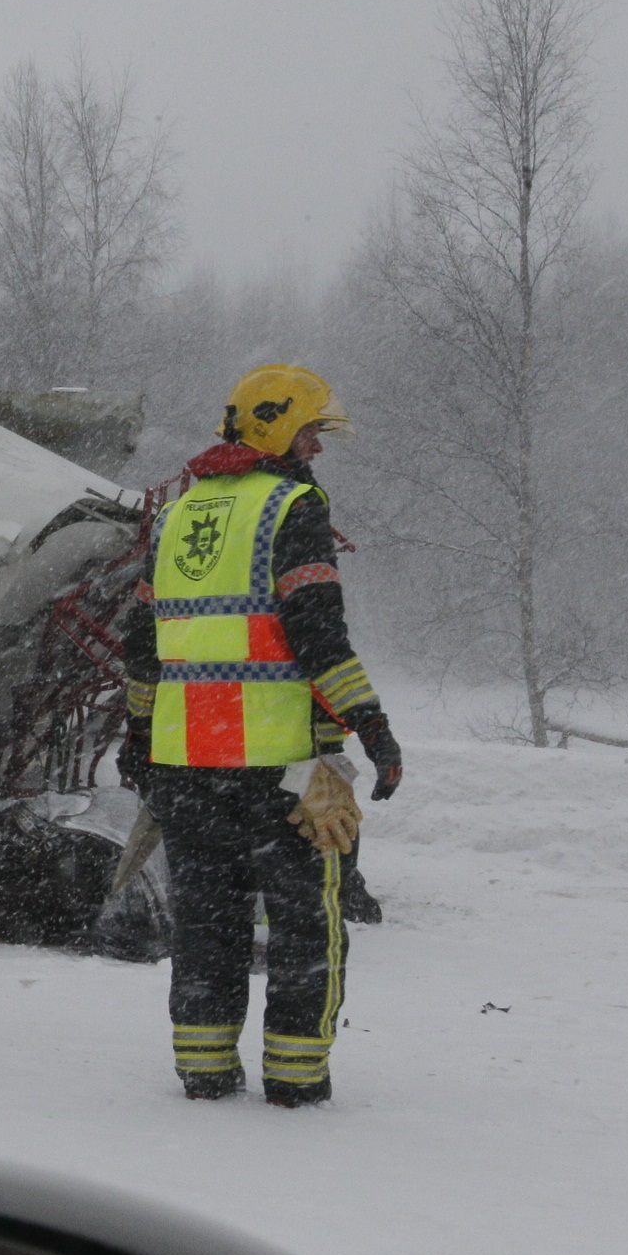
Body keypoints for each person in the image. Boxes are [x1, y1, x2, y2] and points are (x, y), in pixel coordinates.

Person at [117, 365, 405, 1107]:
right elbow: (317, 634)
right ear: (276, 429)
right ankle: (297, 1079)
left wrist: (139, 735)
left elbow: (142, 643)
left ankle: (205, 1070)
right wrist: (371, 726)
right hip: (278, 768)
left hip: (185, 768)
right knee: (309, 930)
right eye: (310, 431)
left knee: (207, 930)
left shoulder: (178, 514)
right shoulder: (295, 507)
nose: (317, 448)